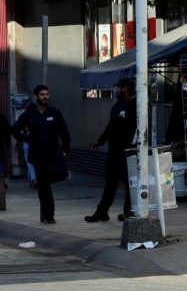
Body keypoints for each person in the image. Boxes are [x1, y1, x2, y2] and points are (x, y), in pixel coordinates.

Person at [11, 84, 71, 224]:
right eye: (42, 94)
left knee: (62, 173)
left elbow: (64, 132)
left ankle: (42, 181)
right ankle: (49, 216)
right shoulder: (29, 114)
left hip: (54, 152)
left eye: (47, 94)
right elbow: (14, 129)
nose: (45, 97)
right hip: (38, 155)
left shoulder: (54, 113)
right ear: (36, 96)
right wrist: (25, 139)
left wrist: (65, 150)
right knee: (44, 190)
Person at [84, 77, 137, 222]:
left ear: (125, 88)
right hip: (113, 150)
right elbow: (111, 127)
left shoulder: (135, 106)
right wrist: (99, 141)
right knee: (110, 182)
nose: (116, 90)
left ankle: (129, 211)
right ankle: (102, 211)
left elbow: (137, 129)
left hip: (128, 151)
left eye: (119, 88)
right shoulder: (117, 106)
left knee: (129, 182)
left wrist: (132, 147)